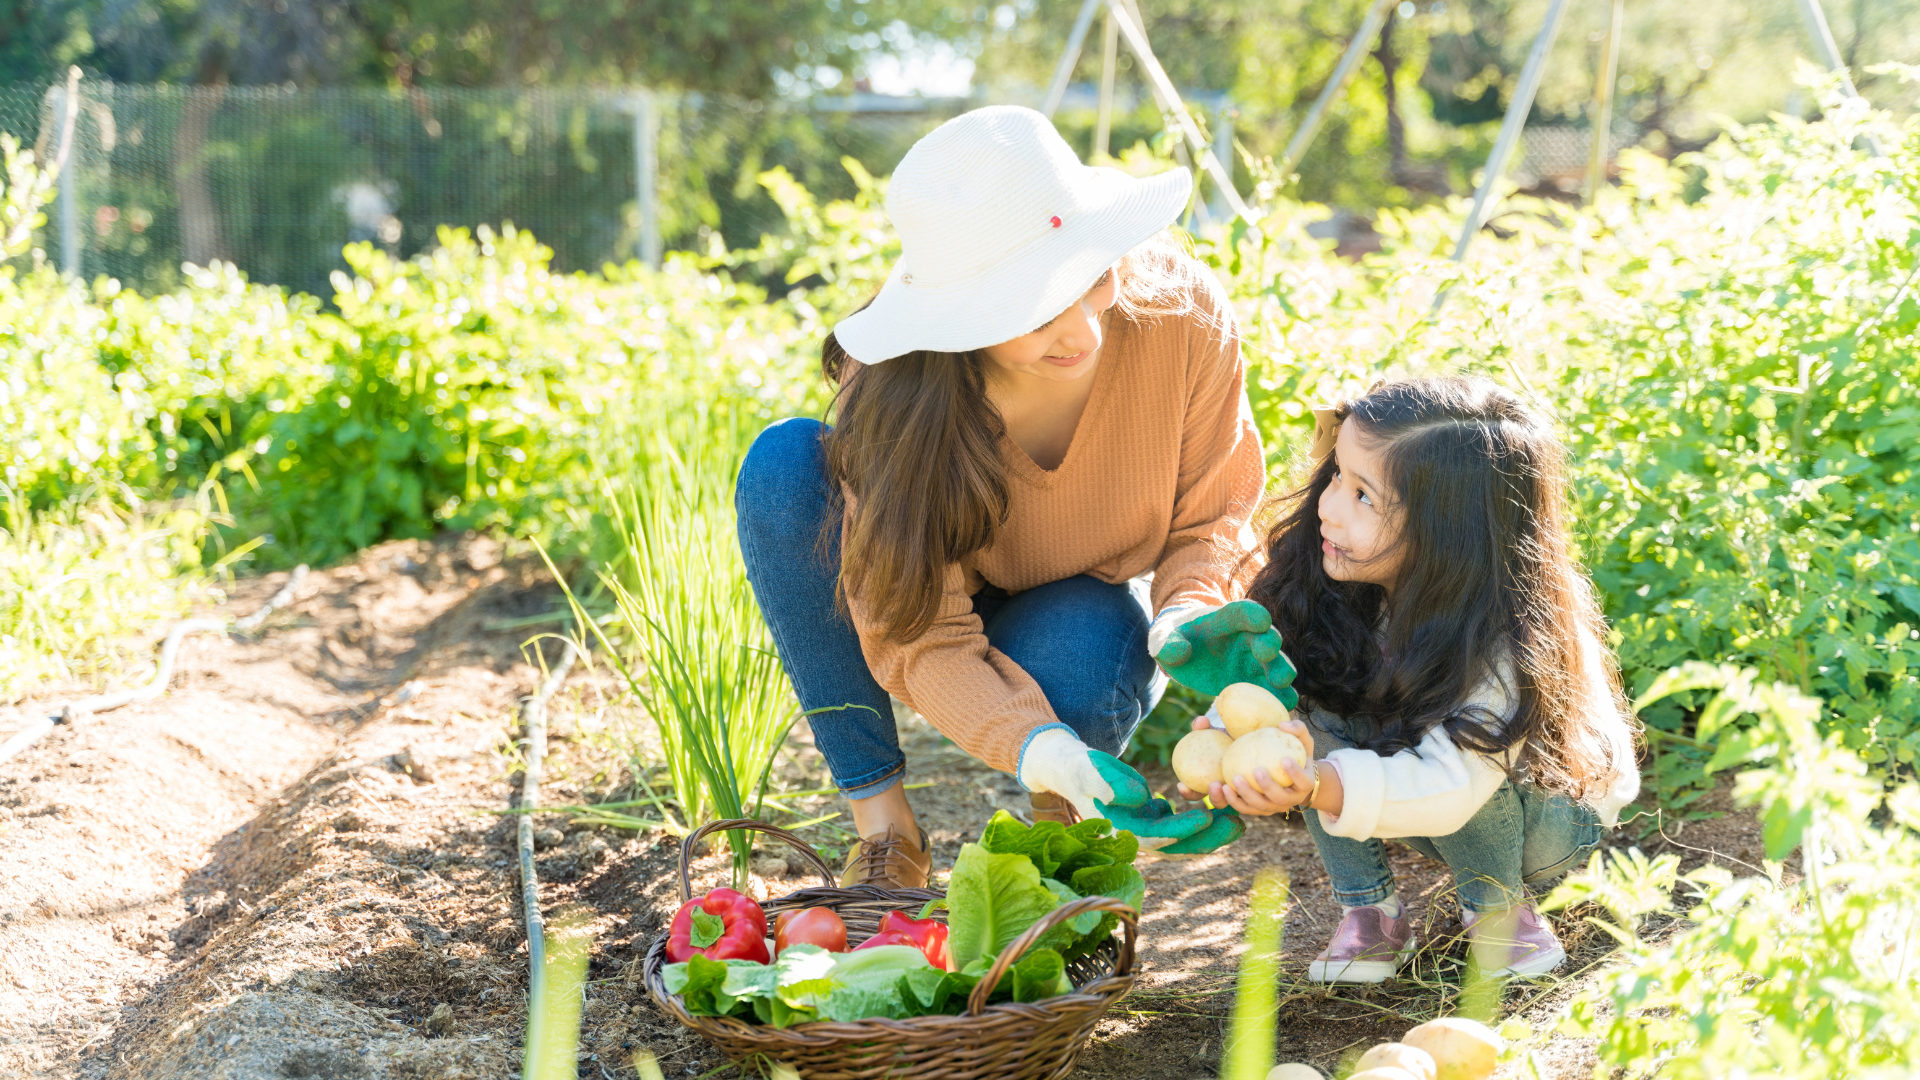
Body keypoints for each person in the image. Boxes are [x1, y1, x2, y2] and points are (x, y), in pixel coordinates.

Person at [735, 106, 1295, 890]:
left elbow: (1215, 515)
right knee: (786, 466)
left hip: (1080, 601)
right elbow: (921, 633)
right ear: (961, 319)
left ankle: (1064, 824)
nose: (1082, 332)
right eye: (1034, 307)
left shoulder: (1180, 316)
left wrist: (1189, 614)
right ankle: (887, 831)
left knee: (1082, 650)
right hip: (919, 606)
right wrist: (1039, 743)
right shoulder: (901, 395)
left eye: (1093, 278)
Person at [1171, 376, 1641, 981]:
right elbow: (1293, 702)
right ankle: (1370, 914)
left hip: (1544, 820)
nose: (1329, 505)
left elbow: (1455, 786)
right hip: (1430, 790)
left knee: (1465, 739)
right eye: (1338, 474)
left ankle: (1500, 912)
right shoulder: (1351, 586)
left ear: (1448, 534)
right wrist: (1244, 736)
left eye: (1364, 496)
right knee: (1305, 718)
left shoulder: (1501, 640)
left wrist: (1313, 784)